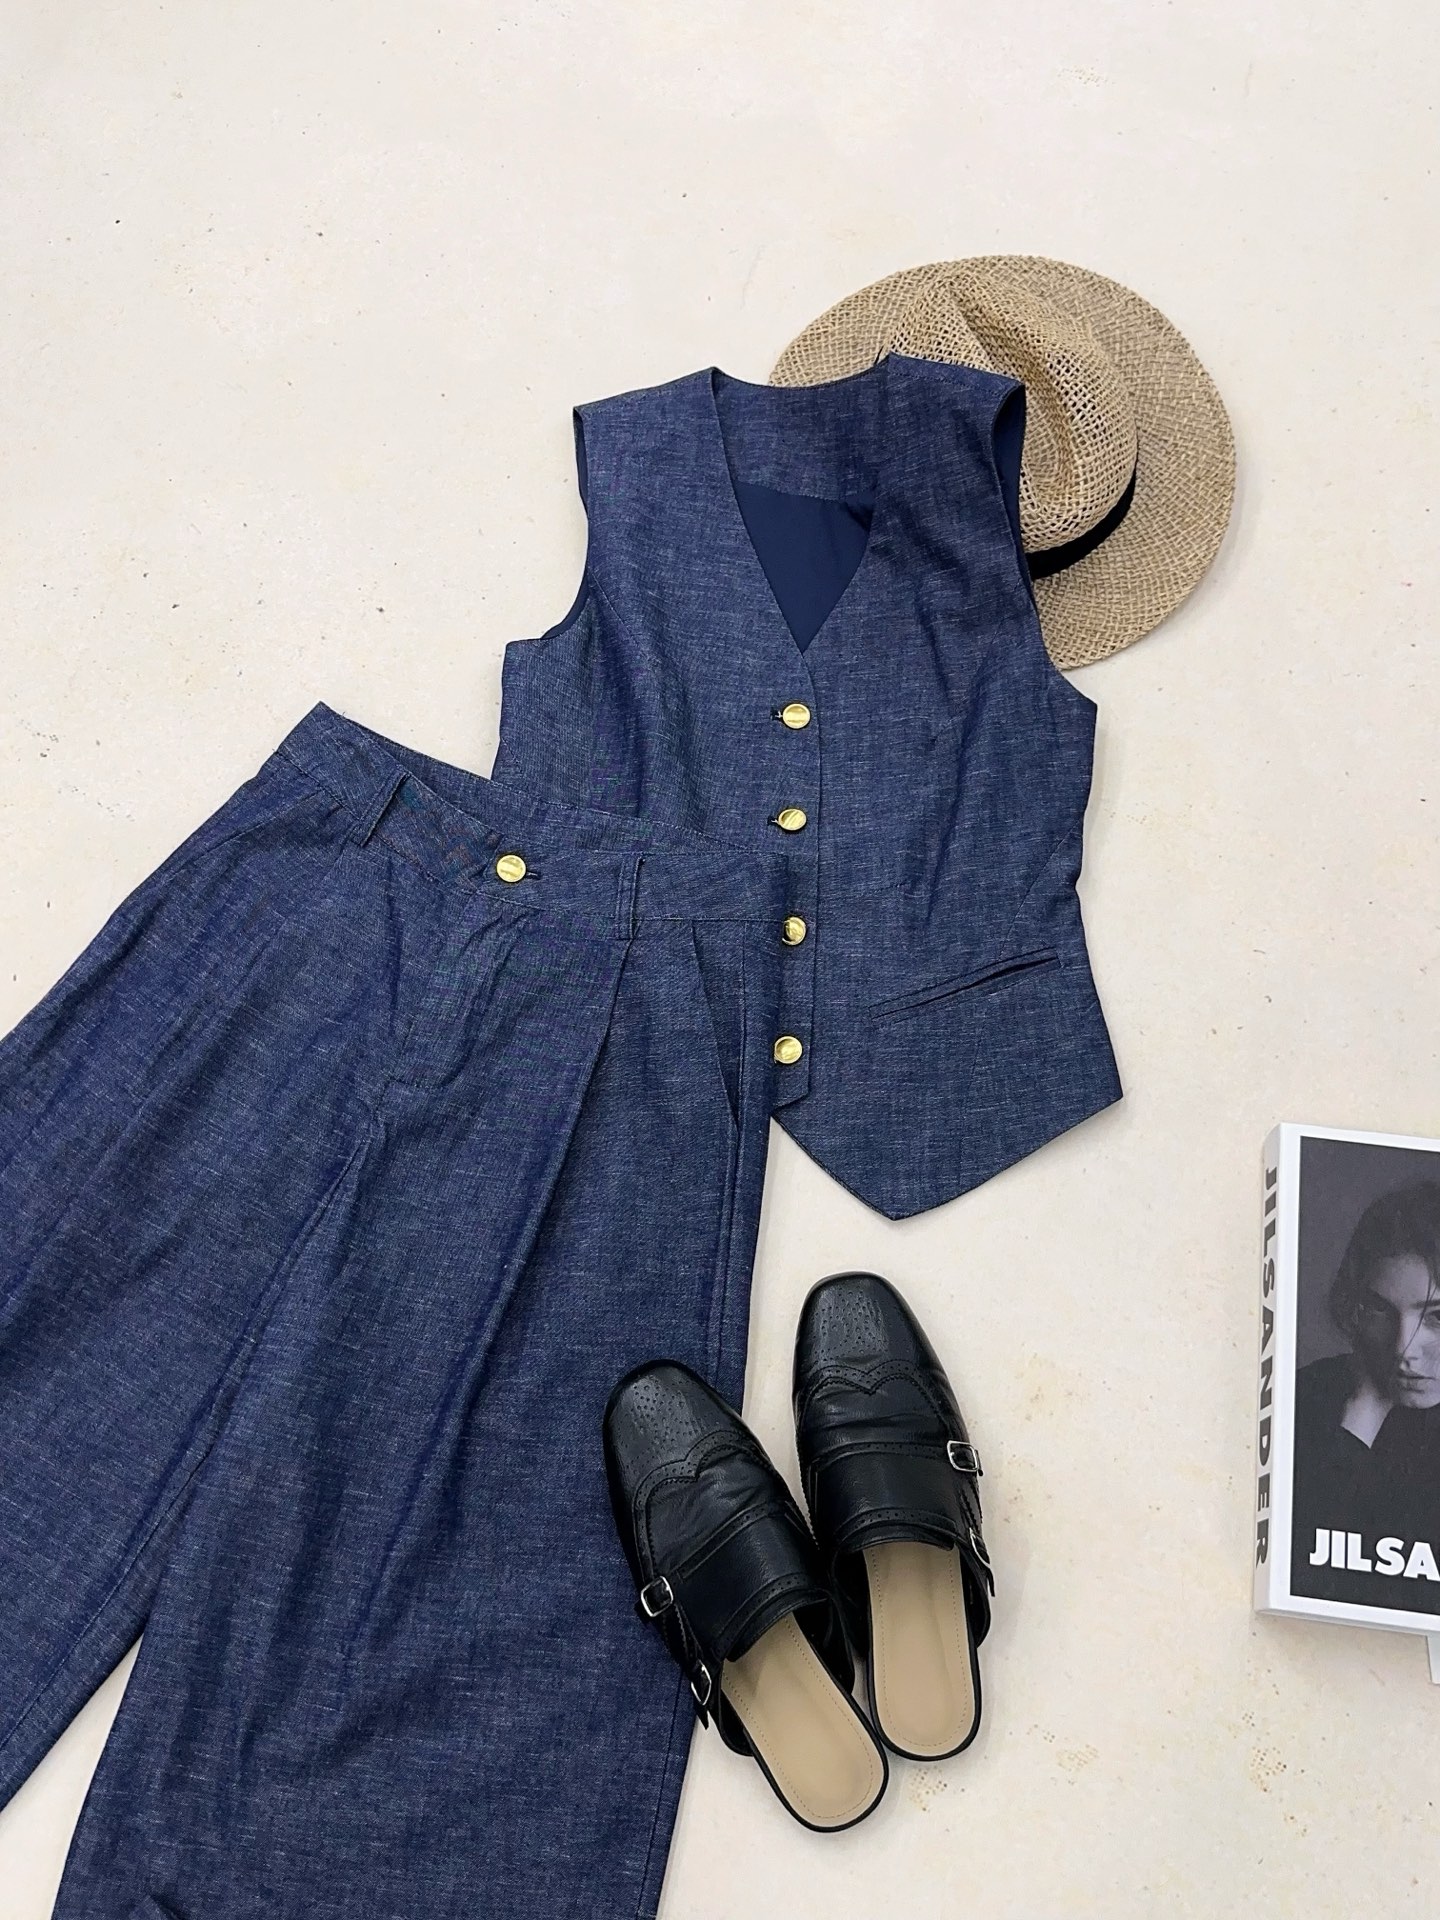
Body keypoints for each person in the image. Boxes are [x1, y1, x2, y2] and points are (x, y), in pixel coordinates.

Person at [1292, 1181, 1440, 1606]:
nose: (1403, 1349)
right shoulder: (1309, 1397)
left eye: (1437, 1317)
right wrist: (1362, 1411)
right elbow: (1307, 1577)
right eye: (1380, 1310)